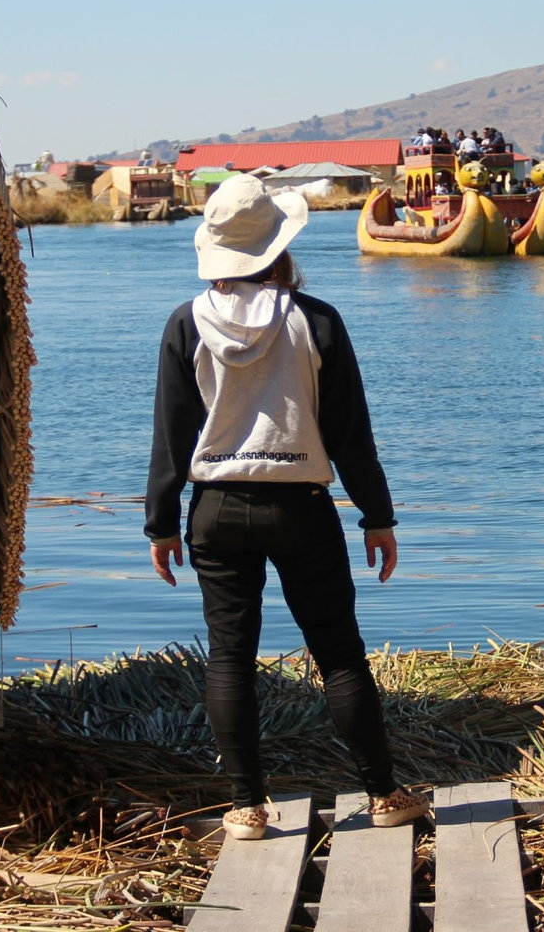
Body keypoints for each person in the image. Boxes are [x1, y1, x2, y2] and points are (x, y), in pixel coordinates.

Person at [146, 174, 430, 840]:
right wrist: (377, 515)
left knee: (229, 659)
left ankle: (247, 808)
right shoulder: (317, 320)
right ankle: (384, 796)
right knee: (337, 657)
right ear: (279, 249)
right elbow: (351, 436)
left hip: (215, 508)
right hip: (303, 507)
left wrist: (160, 522)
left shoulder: (186, 324)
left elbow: (171, 433)